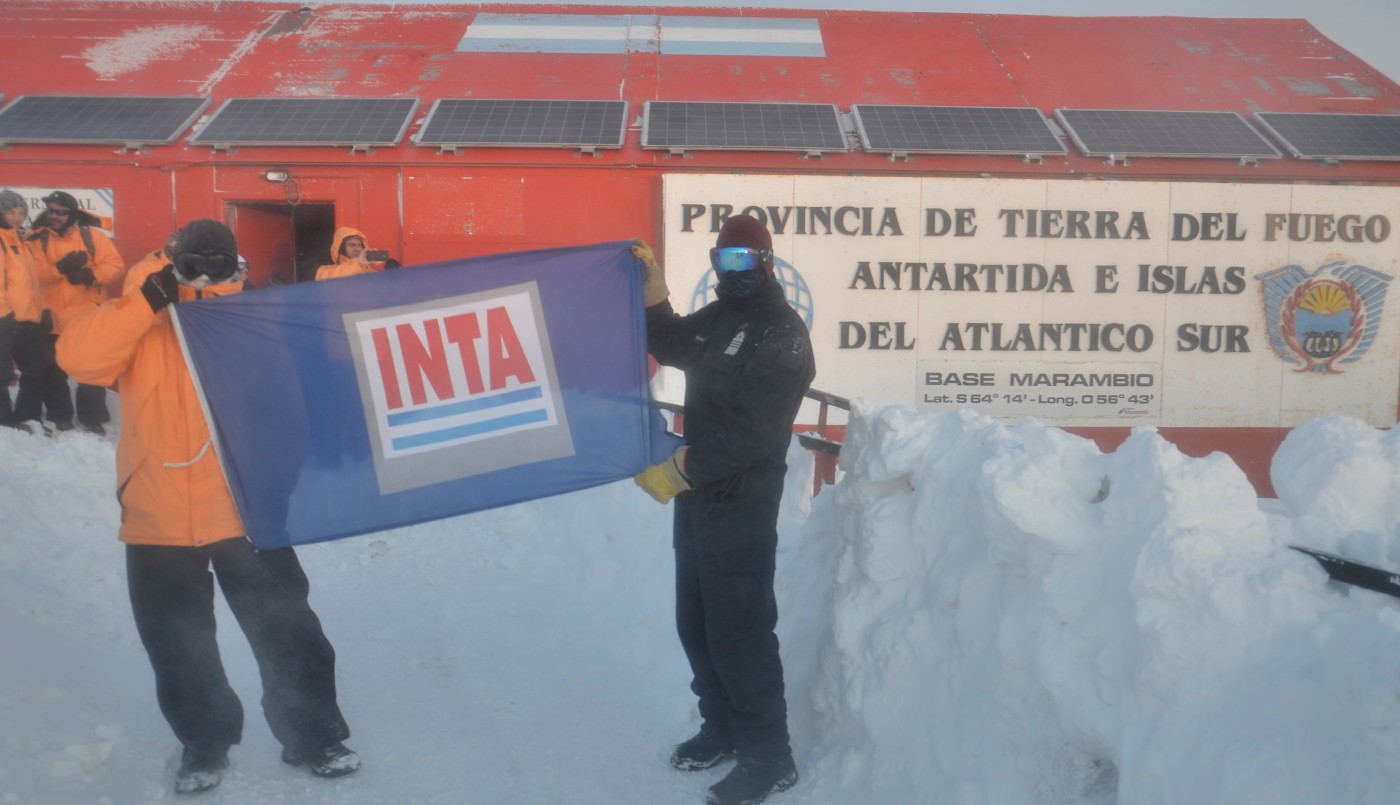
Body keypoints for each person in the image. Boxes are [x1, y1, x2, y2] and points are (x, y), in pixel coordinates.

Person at [55, 219, 360, 795]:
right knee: (177, 643)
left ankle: (314, 736)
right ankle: (204, 743)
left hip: (243, 509)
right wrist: (147, 301)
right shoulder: (140, 312)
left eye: (216, 261)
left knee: (288, 629)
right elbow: (79, 361)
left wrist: (276, 484)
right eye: (192, 261)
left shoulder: (249, 316)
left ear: (234, 262)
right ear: (171, 259)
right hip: (157, 513)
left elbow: (287, 404)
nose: (203, 272)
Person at [631, 215, 815, 805]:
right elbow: (672, 343)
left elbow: (755, 433)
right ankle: (723, 727)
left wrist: (679, 469)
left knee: (741, 632)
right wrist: (652, 295)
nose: (733, 270)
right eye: (723, 258)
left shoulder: (782, 334)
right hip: (699, 504)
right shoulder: (719, 319)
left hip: (743, 507)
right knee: (697, 622)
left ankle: (770, 756)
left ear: (766, 261)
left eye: (744, 258)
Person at [26, 190, 126, 434]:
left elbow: (116, 267)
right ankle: (60, 415)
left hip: (87, 317)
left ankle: (92, 418)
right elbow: (33, 274)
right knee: (53, 370)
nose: (54, 215)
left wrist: (91, 274)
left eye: (60, 211)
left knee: (90, 370)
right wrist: (60, 267)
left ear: (72, 214)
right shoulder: (37, 239)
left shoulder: (93, 237)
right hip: (51, 318)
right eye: (51, 210)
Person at [0, 189, 47, 430]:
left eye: (21, 213)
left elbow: (30, 283)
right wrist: (4, 315)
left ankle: (27, 416)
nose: (17, 217)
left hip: (28, 320)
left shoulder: (21, 241)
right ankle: (3, 421)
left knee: (36, 368)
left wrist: (42, 311)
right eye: (11, 212)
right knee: (2, 373)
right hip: (6, 320)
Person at [313, 227, 399, 281]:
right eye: (352, 245)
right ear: (341, 248)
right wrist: (358, 263)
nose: (357, 249)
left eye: (360, 245)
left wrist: (391, 274)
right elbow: (331, 278)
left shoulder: (369, 272)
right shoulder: (324, 271)